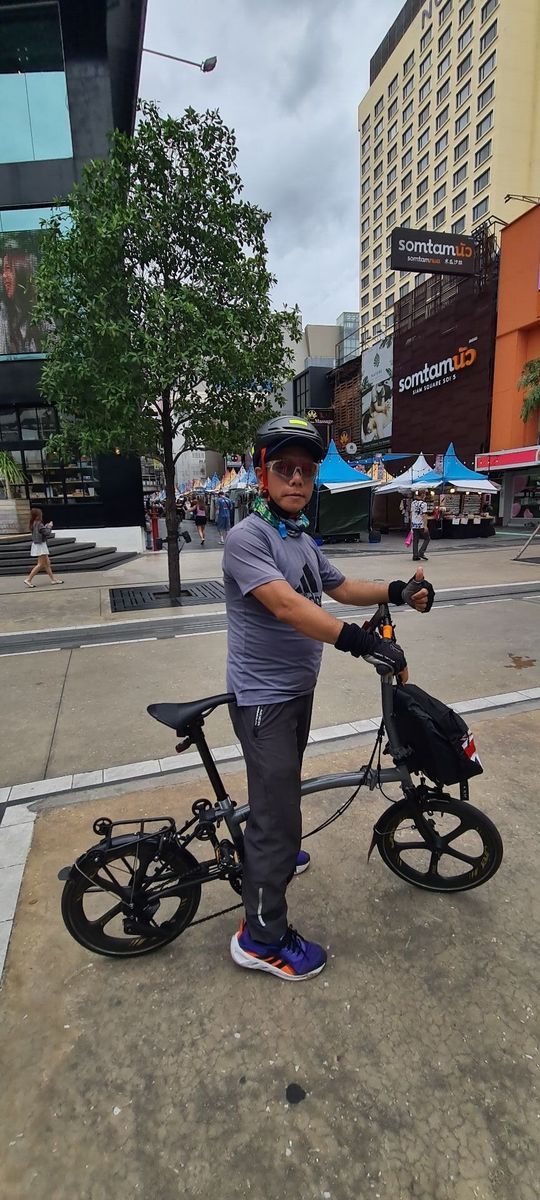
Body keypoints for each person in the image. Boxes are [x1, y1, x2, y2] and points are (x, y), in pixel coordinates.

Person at [223, 415, 434, 982]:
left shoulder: (299, 538)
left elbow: (340, 588)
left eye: (305, 470)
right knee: (276, 818)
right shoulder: (249, 538)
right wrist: (360, 642)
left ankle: (275, 849)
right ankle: (260, 938)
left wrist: (399, 589)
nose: (296, 478)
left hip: (296, 692)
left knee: (280, 795)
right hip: (263, 699)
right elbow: (287, 606)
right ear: (262, 475)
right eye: (283, 468)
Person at [24, 508, 63, 587]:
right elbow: (47, 533)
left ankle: (53, 579)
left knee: (47, 563)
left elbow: (41, 531)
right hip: (40, 545)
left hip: (38, 544)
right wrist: (49, 526)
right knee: (41, 564)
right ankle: (28, 579)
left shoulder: (34, 523)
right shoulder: (39, 523)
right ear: (38, 515)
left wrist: (46, 527)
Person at [411, 489, 430, 562]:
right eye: (425, 495)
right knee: (427, 538)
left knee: (415, 540)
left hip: (414, 524)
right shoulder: (424, 504)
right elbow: (424, 515)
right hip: (421, 524)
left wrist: (411, 524)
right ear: (423, 495)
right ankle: (421, 552)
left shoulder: (413, 503)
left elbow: (411, 513)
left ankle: (415, 555)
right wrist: (425, 525)